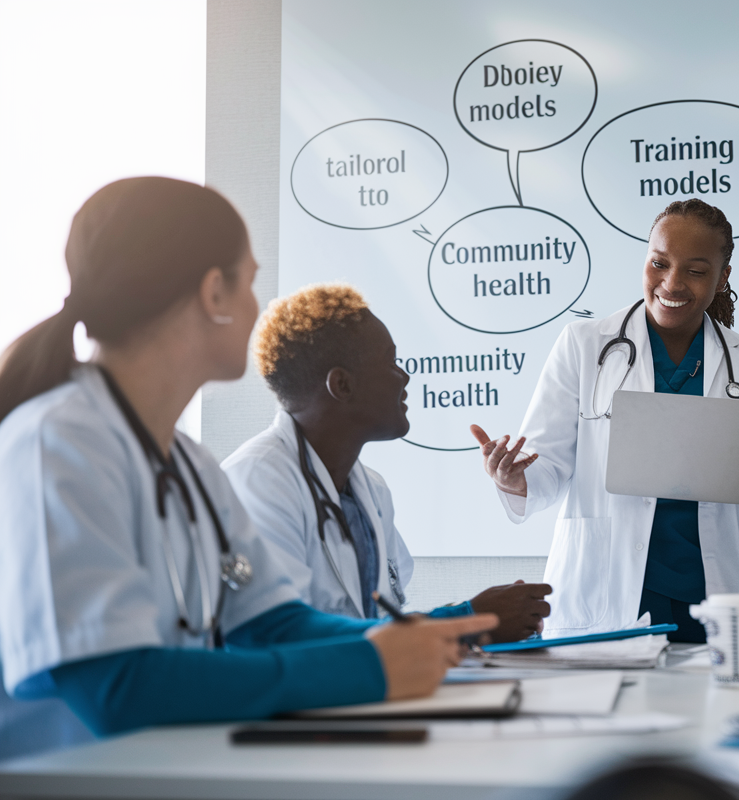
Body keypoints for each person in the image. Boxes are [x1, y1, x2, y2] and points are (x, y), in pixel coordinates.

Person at [0, 178, 494, 742]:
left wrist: (420, 640)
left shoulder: (188, 465)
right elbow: (116, 688)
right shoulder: (57, 443)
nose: (256, 306)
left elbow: (270, 623)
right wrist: (367, 668)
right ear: (215, 293)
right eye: (251, 282)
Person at [471, 198, 739, 641]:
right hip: (609, 589)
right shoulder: (584, 345)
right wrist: (512, 478)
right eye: (659, 263)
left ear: (723, 278)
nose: (672, 282)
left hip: (709, 594)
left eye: (696, 271)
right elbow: (545, 467)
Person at [223, 283, 551, 642]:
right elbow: (282, 636)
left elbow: (380, 622)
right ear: (342, 385)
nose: (405, 376)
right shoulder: (256, 481)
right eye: (390, 361)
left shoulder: (371, 490)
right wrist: (469, 622)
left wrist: (491, 624)